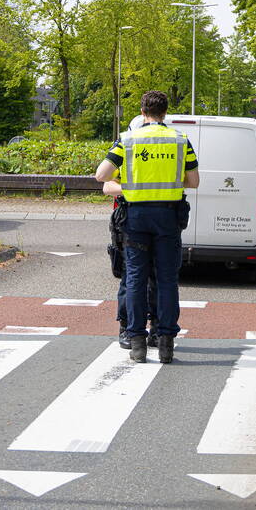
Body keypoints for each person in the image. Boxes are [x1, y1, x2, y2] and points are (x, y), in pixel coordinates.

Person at [95, 90, 199, 364]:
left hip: (136, 218)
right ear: (165, 113)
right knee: (166, 280)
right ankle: (165, 344)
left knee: (136, 279)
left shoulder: (128, 140)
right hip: (167, 218)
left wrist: (132, 187)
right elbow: (194, 181)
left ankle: (137, 343)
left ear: (143, 112)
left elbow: (101, 175)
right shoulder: (180, 140)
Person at [103, 176, 158, 349]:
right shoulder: (126, 148)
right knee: (131, 277)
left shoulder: (170, 148)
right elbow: (107, 185)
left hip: (160, 218)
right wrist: (134, 190)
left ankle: (157, 328)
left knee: (157, 278)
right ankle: (126, 327)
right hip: (131, 218)